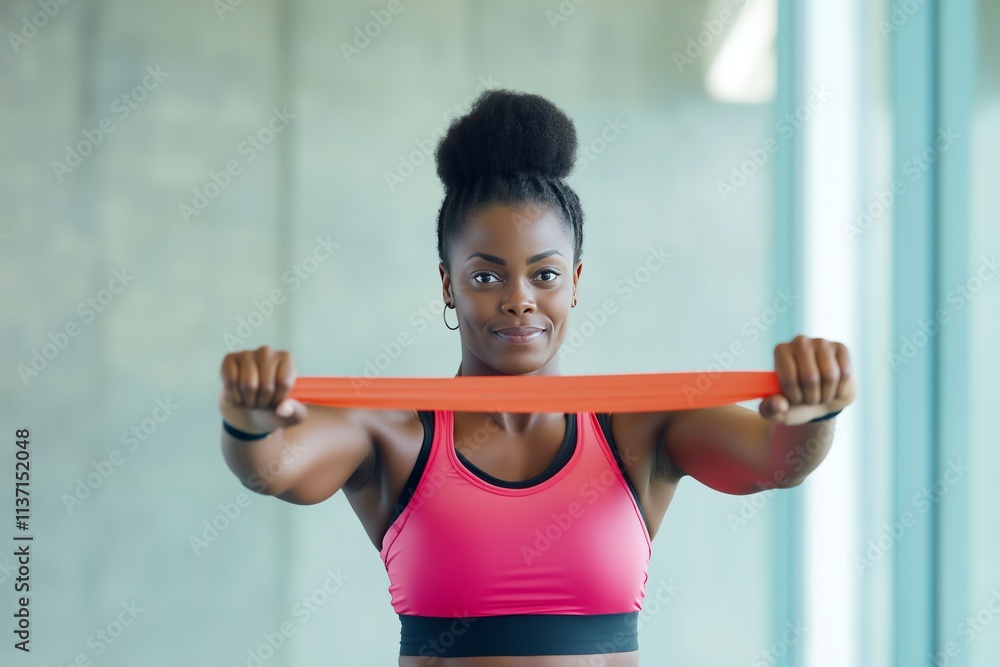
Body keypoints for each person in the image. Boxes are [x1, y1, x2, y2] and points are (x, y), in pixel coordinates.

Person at [218, 89, 857, 667]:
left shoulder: (641, 428)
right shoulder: (391, 434)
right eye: (487, 275)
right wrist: (249, 419)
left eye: (544, 275)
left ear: (575, 283)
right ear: (449, 285)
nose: (519, 299)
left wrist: (812, 411)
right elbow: (272, 469)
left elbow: (777, 462)